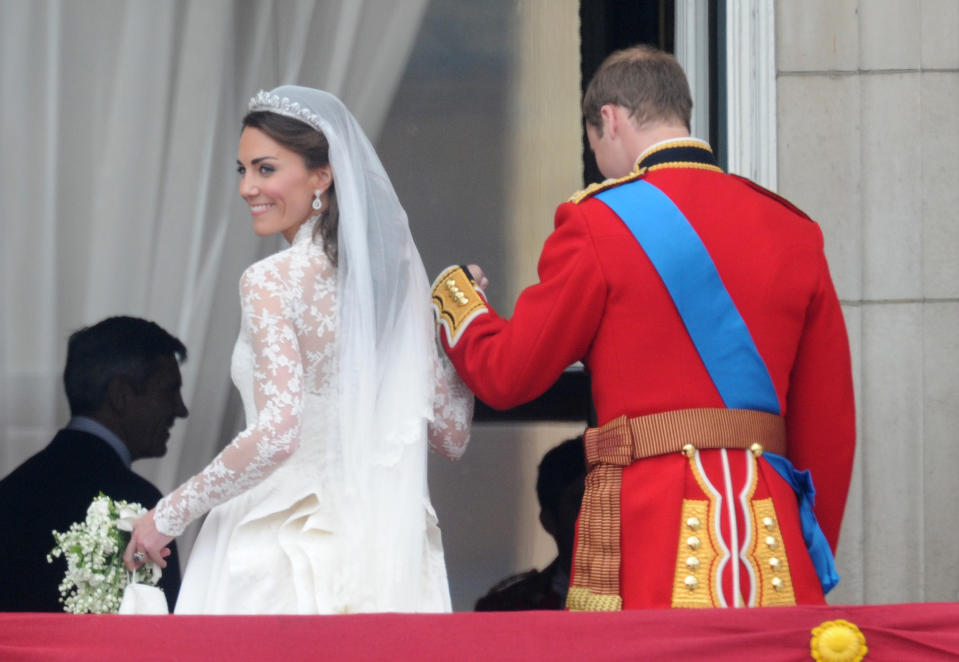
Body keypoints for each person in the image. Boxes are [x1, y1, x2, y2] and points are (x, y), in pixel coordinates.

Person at [432, 45, 855, 610]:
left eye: (595, 145)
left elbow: (509, 373)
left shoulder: (596, 221)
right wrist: (808, 542)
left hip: (652, 530)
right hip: (772, 539)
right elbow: (829, 424)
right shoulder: (793, 228)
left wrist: (457, 301)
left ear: (609, 119)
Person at [124, 86, 473, 614]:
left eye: (265, 169)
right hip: (386, 553)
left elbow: (278, 432)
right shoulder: (396, 292)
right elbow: (452, 434)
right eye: (241, 171)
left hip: (283, 547)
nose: (247, 188)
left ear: (322, 176)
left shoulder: (270, 280)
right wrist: (456, 322)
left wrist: (166, 515)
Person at [0, 316, 187, 612]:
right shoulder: (142, 508)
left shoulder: (10, 492)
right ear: (121, 396)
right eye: (169, 391)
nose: (181, 409)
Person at [475, 436, 585, 611]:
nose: (598, 515)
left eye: (609, 501)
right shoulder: (507, 608)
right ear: (550, 522)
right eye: (581, 503)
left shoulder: (640, 587)